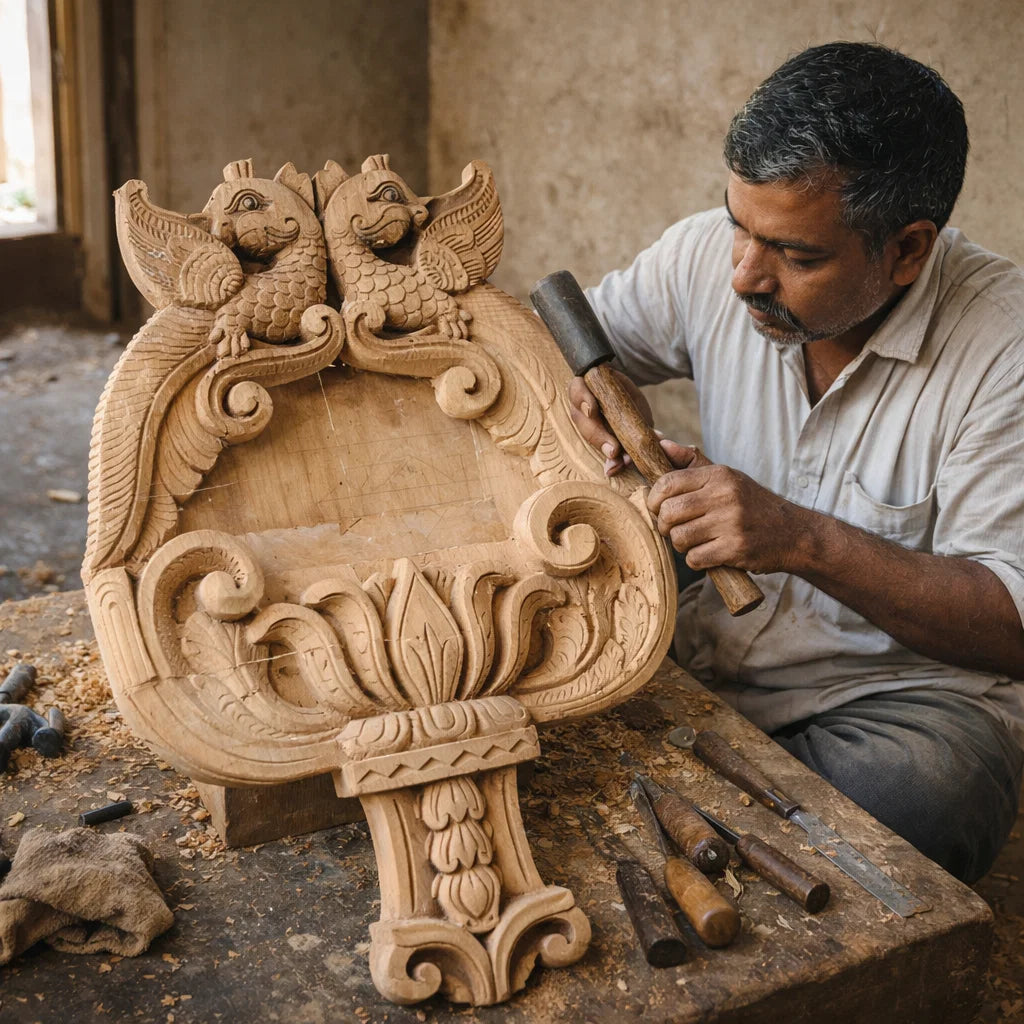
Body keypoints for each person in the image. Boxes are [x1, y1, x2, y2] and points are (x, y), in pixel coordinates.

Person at [569, 41, 1024, 883]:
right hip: (711, 644)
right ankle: (713, 810)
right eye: (738, 225)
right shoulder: (713, 256)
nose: (745, 274)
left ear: (908, 250)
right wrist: (589, 405)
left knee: (927, 797)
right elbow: (568, 344)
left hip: (892, 705)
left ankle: (685, 804)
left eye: (797, 256)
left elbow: (1011, 623)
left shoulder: (1006, 348)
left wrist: (801, 539)